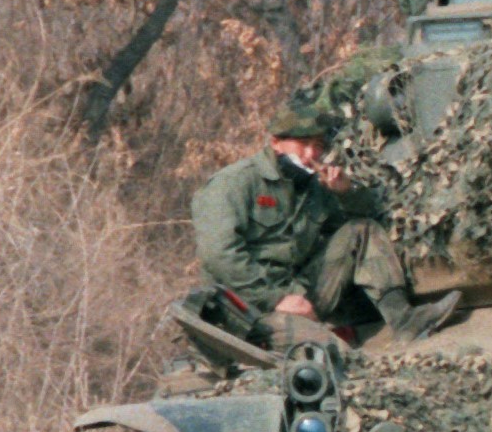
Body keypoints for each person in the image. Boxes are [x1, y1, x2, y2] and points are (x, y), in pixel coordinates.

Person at [191, 104, 459, 348]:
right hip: (248, 308)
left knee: (361, 230)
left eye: (318, 145)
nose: (310, 154)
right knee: (330, 352)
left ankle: (405, 320)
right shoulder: (234, 183)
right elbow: (219, 255)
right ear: (276, 143)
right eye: (302, 144)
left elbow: (364, 227)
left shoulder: (313, 187)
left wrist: (346, 193)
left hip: (300, 296)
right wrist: (276, 299)